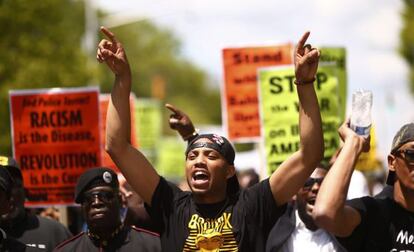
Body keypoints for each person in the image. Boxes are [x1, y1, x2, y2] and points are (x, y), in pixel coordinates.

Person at [99, 26, 324, 251]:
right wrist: (122, 78)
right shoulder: (171, 205)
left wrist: (305, 84)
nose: (198, 161)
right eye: (192, 155)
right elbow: (117, 146)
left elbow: (309, 155)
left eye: (210, 155)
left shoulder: (253, 205)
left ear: (229, 171)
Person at [313, 121, 414, 251]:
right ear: (392, 162)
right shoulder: (374, 212)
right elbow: (325, 213)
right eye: (412, 155)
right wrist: (353, 144)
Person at [54, 167, 160, 251]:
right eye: (89, 198)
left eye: (105, 196)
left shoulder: (152, 246)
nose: (97, 202)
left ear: (120, 200)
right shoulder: (67, 250)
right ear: (82, 207)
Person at [266, 166, 345, 252]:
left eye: (323, 183)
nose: (315, 188)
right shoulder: (275, 232)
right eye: (307, 183)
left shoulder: (346, 230)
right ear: (294, 192)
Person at [0, 156, 72, 251]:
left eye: (13, 186)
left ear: (25, 191)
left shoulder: (54, 232)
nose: (9, 194)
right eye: (2, 189)